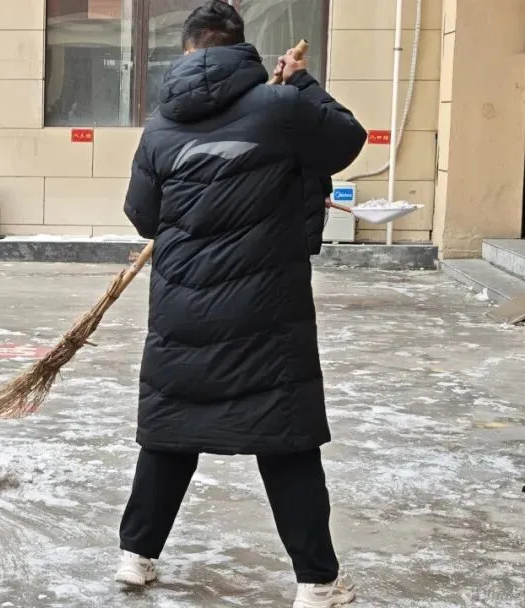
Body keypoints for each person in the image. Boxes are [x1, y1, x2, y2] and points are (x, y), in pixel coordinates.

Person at [114, 2, 366, 607]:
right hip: (264, 310)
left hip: (181, 307)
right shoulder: (281, 107)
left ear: (187, 50)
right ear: (242, 48)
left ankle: (135, 556)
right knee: (284, 438)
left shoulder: (160, 127)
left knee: (171, 432)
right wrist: (302, 83)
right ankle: (317, 584)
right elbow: (346, 141)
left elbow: (144, 216)